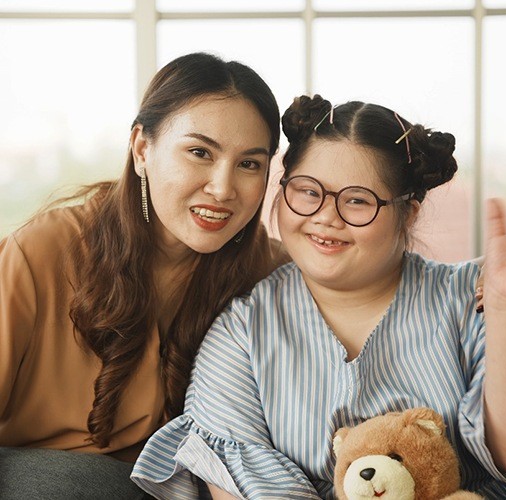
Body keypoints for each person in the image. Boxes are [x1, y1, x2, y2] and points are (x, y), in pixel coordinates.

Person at [132, 94, 506, 499]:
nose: (326, 217)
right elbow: (236, 484)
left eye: (358, 201)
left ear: (408, 213)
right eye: (307, 192)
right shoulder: (243, 331)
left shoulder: (471, 299)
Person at [0, 52, 289, 499]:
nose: (223, 187)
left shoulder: (267, 271)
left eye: (249, 164)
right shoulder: (45, 249)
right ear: (141, 149)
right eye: (199, 152)